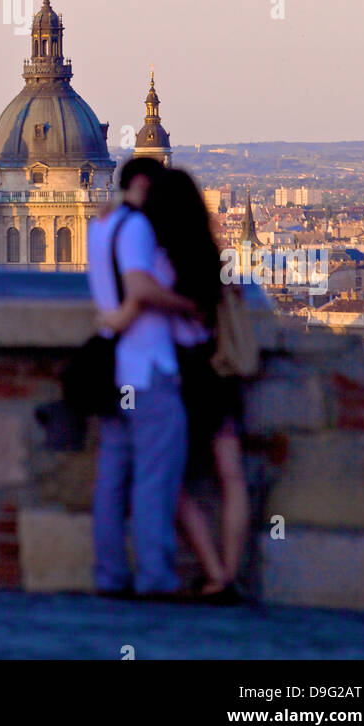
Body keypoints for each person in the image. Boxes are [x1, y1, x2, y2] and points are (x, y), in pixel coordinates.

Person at [100, 169, 249, 602]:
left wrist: (117, 318)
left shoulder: (159, 255)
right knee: (231, 475)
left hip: (179, 370)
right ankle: (229, 576)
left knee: (169, 479)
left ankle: (212, 570)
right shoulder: (208, 254)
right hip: (218, 371)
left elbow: (142, 293)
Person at [88, 157, 197, 598]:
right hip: (147, 368)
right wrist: (188, 304)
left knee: (113, 480)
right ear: (143, 184)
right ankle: (156, 578)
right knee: (155, 478)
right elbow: (138, 289)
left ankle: (110, 575)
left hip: (116, 371)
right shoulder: (137, 227)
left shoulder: (101, 226)